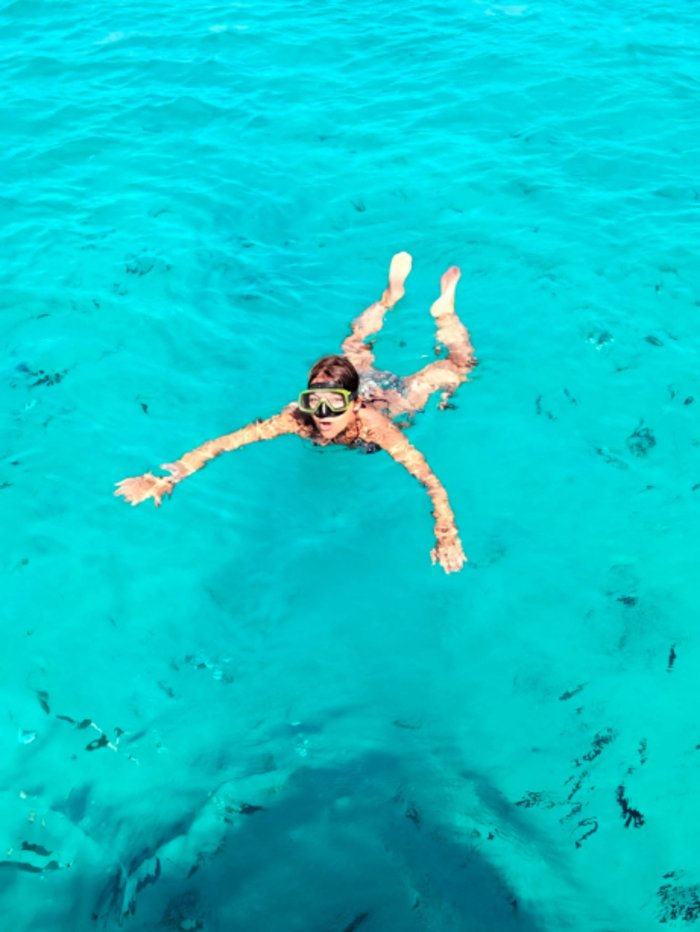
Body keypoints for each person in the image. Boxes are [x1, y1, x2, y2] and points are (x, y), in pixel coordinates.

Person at [115, 253, 477, 573]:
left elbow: (430, 481)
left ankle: (445, 313)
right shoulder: (297, 419)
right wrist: (171, 476)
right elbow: (226, 443)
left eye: (334, 405)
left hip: (393, 398)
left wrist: (446, 534)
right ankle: (389, 298)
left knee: (459, 366)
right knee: (353, 344)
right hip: (356, 382)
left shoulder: (376, 427)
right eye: (313, 401)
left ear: (351, 405)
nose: (321, 414)